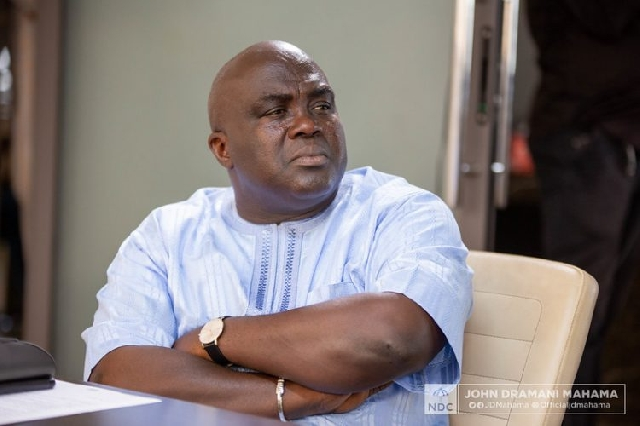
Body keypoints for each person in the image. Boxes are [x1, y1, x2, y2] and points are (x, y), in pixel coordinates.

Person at [82, 40, 473, 425]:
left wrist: (214, 339)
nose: (308, 125)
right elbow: (115, 374)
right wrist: (292, 397)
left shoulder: (401, 212)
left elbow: (391, 339)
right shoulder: (167, 236)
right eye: (277, 112)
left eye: (322, 106)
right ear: (223, 149)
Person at [526, 1, 640, 424]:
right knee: (577, 314)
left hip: (617, 134)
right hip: (588, 133)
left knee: (598, 316)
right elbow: (607, 16)